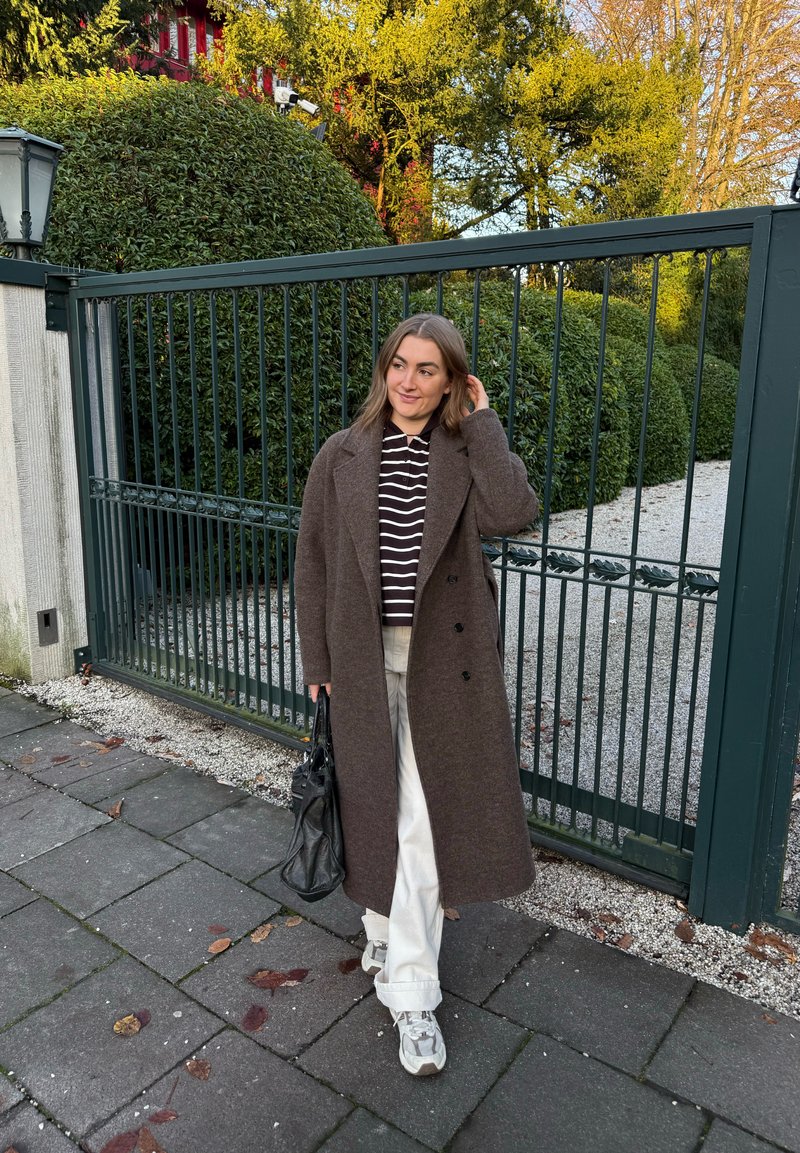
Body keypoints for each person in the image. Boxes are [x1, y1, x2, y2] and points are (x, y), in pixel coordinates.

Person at [294, 312, 538, 1076]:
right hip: (364, 665)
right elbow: (313, 559)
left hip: (444, 666)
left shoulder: (464, 451)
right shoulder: (342, 454)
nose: (408, 380)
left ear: (451, 381)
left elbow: (515, 512)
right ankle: (381, 919)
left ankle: (412, 996)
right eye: (400, 363)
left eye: (428, 369)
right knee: (380, 809)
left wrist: (486, 418)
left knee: (424, 823)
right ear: (384, 368)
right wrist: (317, 654)